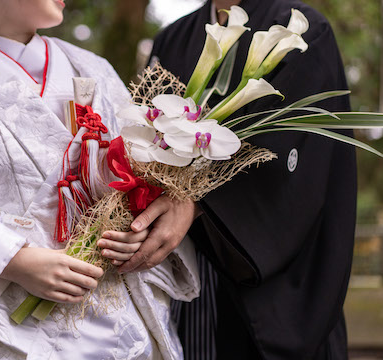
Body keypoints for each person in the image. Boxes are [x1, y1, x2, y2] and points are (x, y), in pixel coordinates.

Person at [0, 0, 201, 359]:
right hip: (7, 321)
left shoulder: (93, 68)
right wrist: (14, 260)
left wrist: (139, 227)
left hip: (112, 311)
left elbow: (142, 173)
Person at [100, 0, 356, 359]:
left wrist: (196, 202)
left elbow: (297, 155)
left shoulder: (305, 28)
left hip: (249, 255)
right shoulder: (172, 37)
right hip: (182, 258)